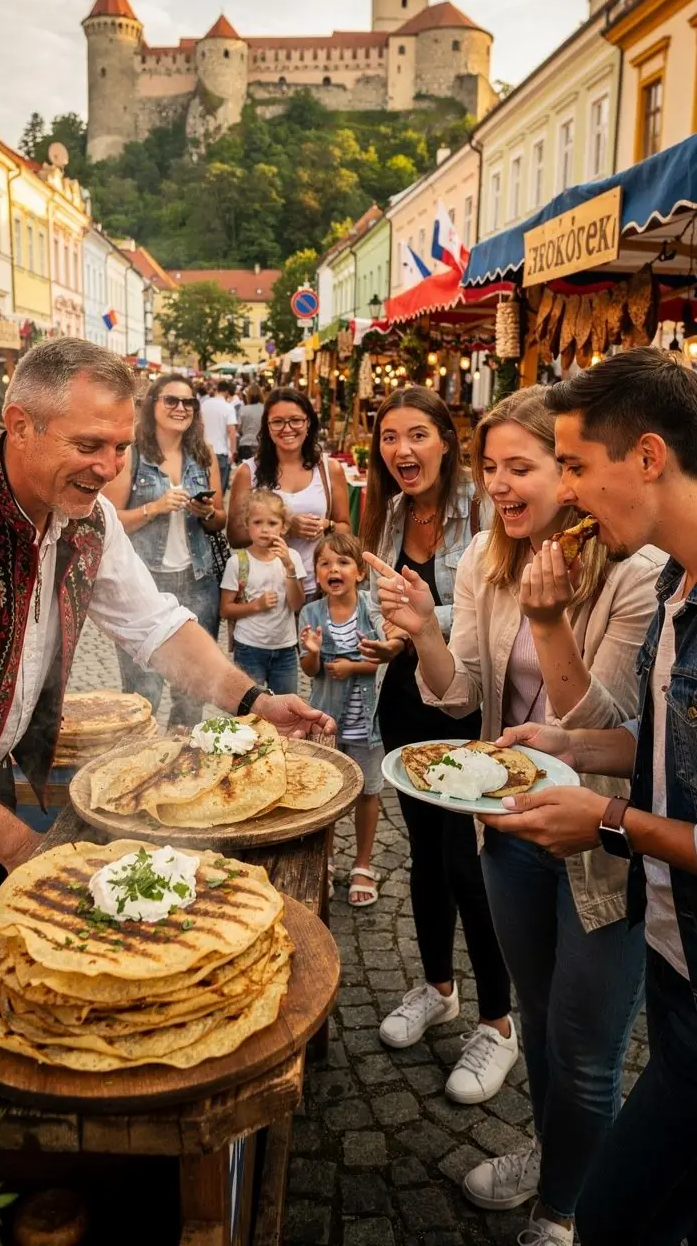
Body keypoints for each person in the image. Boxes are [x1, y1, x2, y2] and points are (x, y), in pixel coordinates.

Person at [0, 338, 335, 1034]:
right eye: (90, 443)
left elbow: (155, 625)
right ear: (21, 423)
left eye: (121, 447)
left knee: (1, 993)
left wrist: (256, 701)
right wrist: (22, 848)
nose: (110, 467)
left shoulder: (84, 517)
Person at [368, 383, 664, 1245]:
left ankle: (564, 1212)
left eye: (523, 466)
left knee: (586, 1052)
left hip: (602, 844)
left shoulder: (634, 573)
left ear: (569, 477)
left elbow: (602, 728)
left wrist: (549, 620)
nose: (499, 484)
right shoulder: (487, 560)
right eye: (490, 466)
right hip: (506, 830)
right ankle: (554, 1156)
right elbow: (460, 698)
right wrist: (426, 629)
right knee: (538, 1023)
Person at [479, 349, 697, 1246]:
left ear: (646, 456)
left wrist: (608, 821)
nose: (566, 492)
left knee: (614, 1214)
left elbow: (638, 804)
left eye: (573, 465)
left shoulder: (654, 581)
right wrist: (572, 745)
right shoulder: (681, 586)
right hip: (675, 958)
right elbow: (656, 749)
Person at [359, 387, 514, 1104]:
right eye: (390, 438)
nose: (402, 451)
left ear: (448, 442)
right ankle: (438, 988)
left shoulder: (482, 509)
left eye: (417, 435)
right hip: (404, 693)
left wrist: (423, 619)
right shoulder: (390, 509)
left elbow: (492, 601)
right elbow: (383, 592)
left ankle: (498, 1020)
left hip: (463, 698)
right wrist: (385, 631)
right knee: (423, 849)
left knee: (466, 858)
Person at [101, 373, 226, 729]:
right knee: (144, 692)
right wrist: (153, 508)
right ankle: (140, 764)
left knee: (193, 690)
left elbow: (220, 521)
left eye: (188, 402)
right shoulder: (132, 456)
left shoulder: (204, 457)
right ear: (153, 404)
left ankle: (182, 765)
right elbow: (110, 521)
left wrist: (208, 513)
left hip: (199, 582)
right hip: (145, 584)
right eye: (171, 400)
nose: (180, 408)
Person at [299, 533, 384, 907]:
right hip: (327, 721)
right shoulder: (311, 614)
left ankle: (363, 863)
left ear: (360, 572)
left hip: (367, 723)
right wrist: (314, 654)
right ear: (317, 575)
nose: (334, 569)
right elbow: (309, 669)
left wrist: (353, 667)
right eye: (325, 564)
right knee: (327, 793)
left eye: (344, 562)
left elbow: (385, 659)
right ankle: (327, 858)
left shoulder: (371, 609)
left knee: (368, 791)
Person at [228, 387, 350, 601]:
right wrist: (286, 527)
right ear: (267, 426)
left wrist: (327, 526)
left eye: (296, 420)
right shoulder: (248, 472)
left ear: (308, 423)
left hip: (318, 587)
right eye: (278, 422)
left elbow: (345, 528)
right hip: (263, 591)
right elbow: (235, 536)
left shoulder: (330, 470)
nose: (287, 429)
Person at [220, 488, 304, 694]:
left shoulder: (292, 558)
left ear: (284, 527)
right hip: (249, 647)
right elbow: (225, 610)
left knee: (286, 707)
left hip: (285, 648)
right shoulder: (237, 563)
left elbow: (296, 604)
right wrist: (255, 606)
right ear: (247, 526)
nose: (265, 529)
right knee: (249, 709)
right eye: (257, 522)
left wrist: (289, 567)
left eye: (272, 523)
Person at [200, 380, 237, 491]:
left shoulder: (205, 404)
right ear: (226, 392)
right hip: (221, 452)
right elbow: (231, 432)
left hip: (204, 450)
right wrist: (233, 452)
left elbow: (199, 426)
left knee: (205, 488)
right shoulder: (228, 407)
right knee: (219, 490)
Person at [237, 384, 264, 462]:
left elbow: (238, 429)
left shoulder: (243, 410)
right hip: (261, 445)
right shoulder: (265, 409)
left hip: (245, 444)